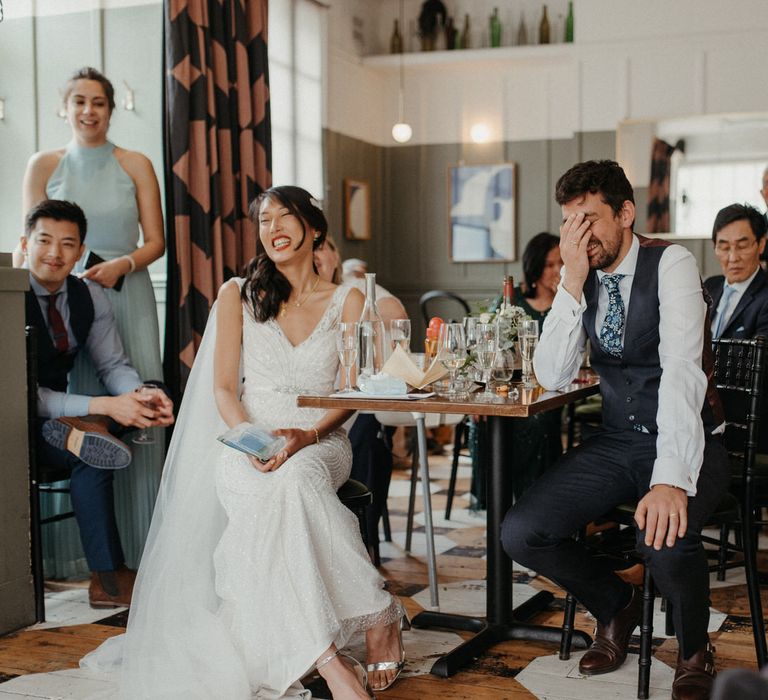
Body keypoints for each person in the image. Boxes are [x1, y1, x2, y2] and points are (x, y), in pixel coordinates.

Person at [81, 187, 406, 699]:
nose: (271, 226)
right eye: (263, 219)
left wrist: (305, 435)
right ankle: (342, 649)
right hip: (246, 439)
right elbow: (222, 389)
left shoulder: (349, 299)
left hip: (320, 438)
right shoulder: (239, 293)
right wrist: (255, 443)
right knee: (273, 498)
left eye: (285, 215)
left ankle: (357, 631)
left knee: (296, 477)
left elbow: (351, 391)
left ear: (315, 228)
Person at [501, 160, 729, 700]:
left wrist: (670, 478)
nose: (578, 234)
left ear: (626, 214)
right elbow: (550, 376)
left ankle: (694, 649)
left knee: (665, 542)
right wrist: (572, 282)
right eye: (569, 222)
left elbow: (682, 371)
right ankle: (616, 606)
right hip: (618, 439)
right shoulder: (584, 275)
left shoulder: (669, 261)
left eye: (590, 219)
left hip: (690, 436)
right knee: (522, 532)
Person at [19, 66, 166, 577]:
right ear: (66, 107)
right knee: (72, 412)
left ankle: (140, 546)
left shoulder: (136, 162)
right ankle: (79, 560)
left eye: (98, 102)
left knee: (127, 396)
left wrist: (120, 266)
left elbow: (156, 240)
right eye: (79, 101)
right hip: (54, 292)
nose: (88, 110)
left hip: (118, 292)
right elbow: (36, 237)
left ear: (111, 107)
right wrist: (62, 266)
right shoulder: (44, 163)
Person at [22, 199, 174, 608]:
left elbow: (113, 365)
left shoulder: (89, 296)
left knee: (100, 439)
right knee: (99, 426)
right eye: (44, 241)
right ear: (24, 243)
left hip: (53, 422)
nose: (55, 253)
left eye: (67, 244)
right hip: (12, 423)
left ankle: (107, 580)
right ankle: (109, 579)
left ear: (80, 249)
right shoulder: (7, 294)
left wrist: (139, 395)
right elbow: (23, 392)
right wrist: (106, 406)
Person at [315, 234, 409, 560]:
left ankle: (362, 540)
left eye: (321, 247)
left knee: (370, 430)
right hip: (310, 403)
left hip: (356, 401)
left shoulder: (350, 289)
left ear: (335, 254)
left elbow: (395, 312)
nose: (315, 256)